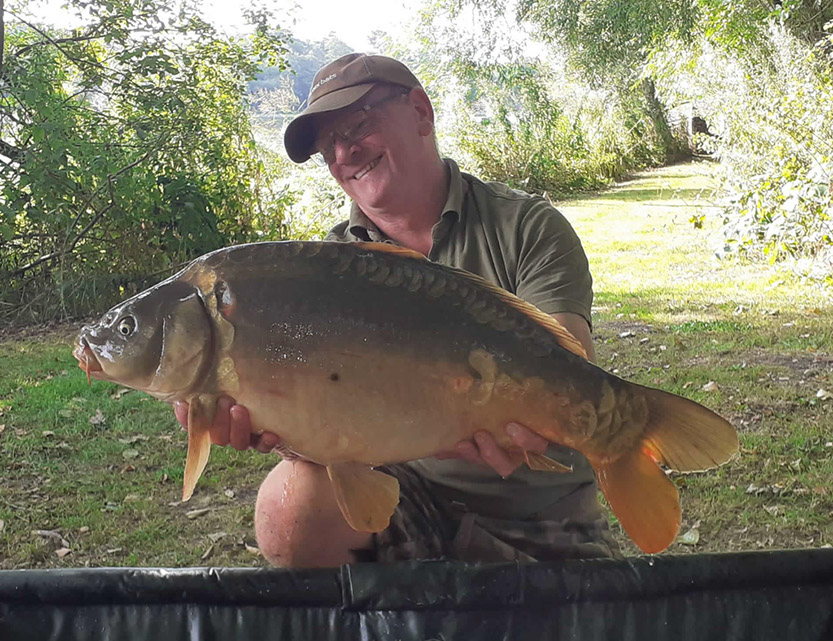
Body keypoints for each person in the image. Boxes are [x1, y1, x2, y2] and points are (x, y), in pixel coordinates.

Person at [174, 53, 619, 567]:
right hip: (409, 500)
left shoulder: (527, 226)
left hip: (539, 510)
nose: (344, 152)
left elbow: (571, 362)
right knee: (287, 501)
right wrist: (281, 429)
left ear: (421, 112)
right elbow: (326, 420)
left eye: (357, 124)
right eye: (327, 149)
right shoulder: (326, 271)